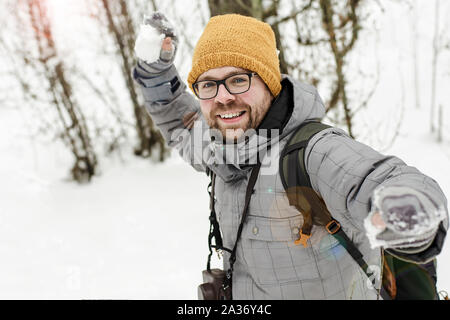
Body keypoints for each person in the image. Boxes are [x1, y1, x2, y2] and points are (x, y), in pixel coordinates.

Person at [132, 12, 448, 299]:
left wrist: (406, 208)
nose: (223, 97)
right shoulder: (218, 146)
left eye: (239, 80)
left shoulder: (312, 151)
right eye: (208, 85)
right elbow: (178, 119)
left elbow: (376, 177)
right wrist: (154, 68)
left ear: (270, 83)